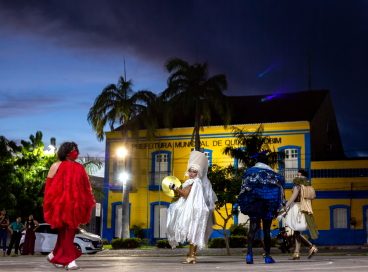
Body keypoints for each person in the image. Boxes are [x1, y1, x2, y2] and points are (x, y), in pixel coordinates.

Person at [44, 142, 95, 270]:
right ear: (66, 152)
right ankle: (70, 261)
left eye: (76, 150)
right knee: (64, 233)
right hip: (60, 206)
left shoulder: (80, 168)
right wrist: (49, 204)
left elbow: (85, 188)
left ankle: (54, 255)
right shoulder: (56, 165)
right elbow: (48, 186)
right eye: (73, 150)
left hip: (75, 207)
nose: (76, 152)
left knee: (68, 234)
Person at [166, 151, 217, 264]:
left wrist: (174, 187)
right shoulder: (193, 182)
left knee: (192, 232)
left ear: (197, 173)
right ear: (188, 170)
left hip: (192, 211)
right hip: (192, 209)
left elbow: (185, 194)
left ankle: (192, 255)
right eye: (190, 171)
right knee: (192, 233)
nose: (192, 173)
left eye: (194, 171)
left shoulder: (194, 182)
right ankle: (191, 255)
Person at [238, 151, 285, 264]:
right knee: (267, 230)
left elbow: (244, 189)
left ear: (257, 161)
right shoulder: (274, 174)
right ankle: (267, 256)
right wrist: (279, 207)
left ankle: (249, 255)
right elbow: (279, 191)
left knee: (253, 227)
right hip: (269, 204)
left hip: (255, 203)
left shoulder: (250, 172)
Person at [278, 169, 318, 260]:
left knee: (296, 232)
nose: (296, 176)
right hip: (305, 209)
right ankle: (296, 253)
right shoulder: (308, 186)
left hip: (297, 209)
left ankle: (311, 247)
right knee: (297, 232)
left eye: (298, 174)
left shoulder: (298, 186)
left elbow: (292, 199)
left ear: (301, 176)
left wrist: (284, 208)